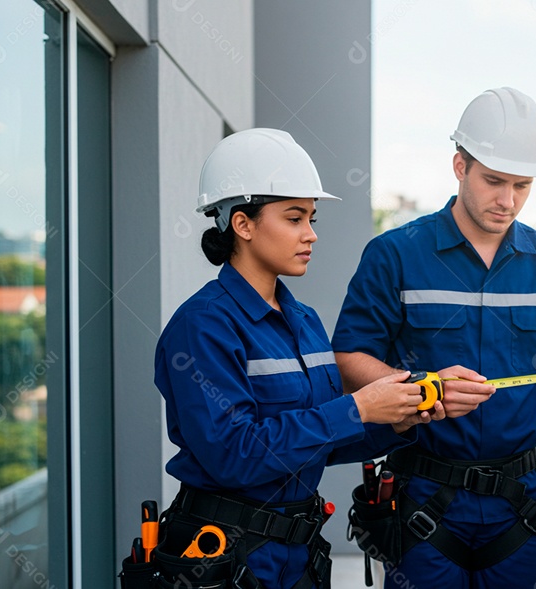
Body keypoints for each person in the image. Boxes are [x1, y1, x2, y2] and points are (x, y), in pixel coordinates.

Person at [333, 88, 536, 587]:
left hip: (521, 506)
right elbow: (351, 357)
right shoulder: (394, 254)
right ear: (460, 165)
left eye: (522, 185)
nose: (508, 201)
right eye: (494, 181)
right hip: (423, 499)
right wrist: (424, 387)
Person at [153, 128, 442, 589]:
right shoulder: (203, 326)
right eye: (294, 218)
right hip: (223, 559)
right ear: (242, 225)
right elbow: (234, 454)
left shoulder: (303, 320)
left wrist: (397, 420)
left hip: (298, 555)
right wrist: (359, 407)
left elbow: (318, 441)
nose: (310, 234)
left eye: (311, 218)